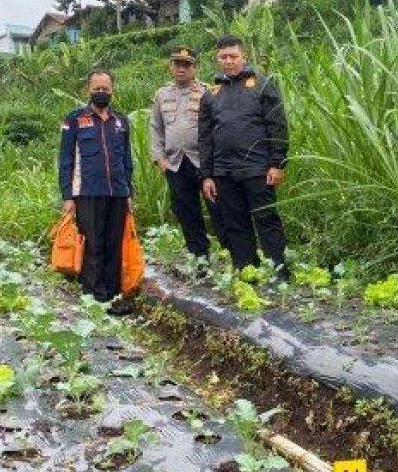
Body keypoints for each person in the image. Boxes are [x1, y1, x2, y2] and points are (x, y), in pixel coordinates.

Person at [198, 35, 290, 276]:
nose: (228, 61)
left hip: (258, 168)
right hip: (224, 172)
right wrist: (206, 175)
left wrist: (276, 163)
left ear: (243, 57)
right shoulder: (211, 93)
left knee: (266, 219)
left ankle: (279, 270)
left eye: (233, 56)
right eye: (223, 57)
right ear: (217, 59)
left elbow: (277, 125)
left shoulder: (262, 84)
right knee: (235, 223)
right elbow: (205, 137)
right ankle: (247, 270)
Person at [58, 69, 134, 315]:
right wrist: (67, 196)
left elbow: (127, 160)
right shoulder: (74, 120)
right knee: (93, 243)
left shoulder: (121, 122)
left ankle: (112, 294)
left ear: (113, 90)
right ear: (88, 90)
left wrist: (129, 192)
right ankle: (92, 294)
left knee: (114, 243)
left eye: (105, 88)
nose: (101, 92)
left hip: (118, 192)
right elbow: (66, 160)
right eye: (96, 88)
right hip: (88, 191)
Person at [150, 45, 225, 258]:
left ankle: (233, 252)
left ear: (195, 67)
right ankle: (200, 257)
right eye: (177, 64)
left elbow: (217, 126)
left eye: (186, 65)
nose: (181, 68)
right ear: (171, 67)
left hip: (204, 162)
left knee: (218, 208)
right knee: (186, 212)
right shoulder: (162, 95)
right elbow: (155, 127)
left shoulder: (208, 92)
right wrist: (159, 158)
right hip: (175, 163)